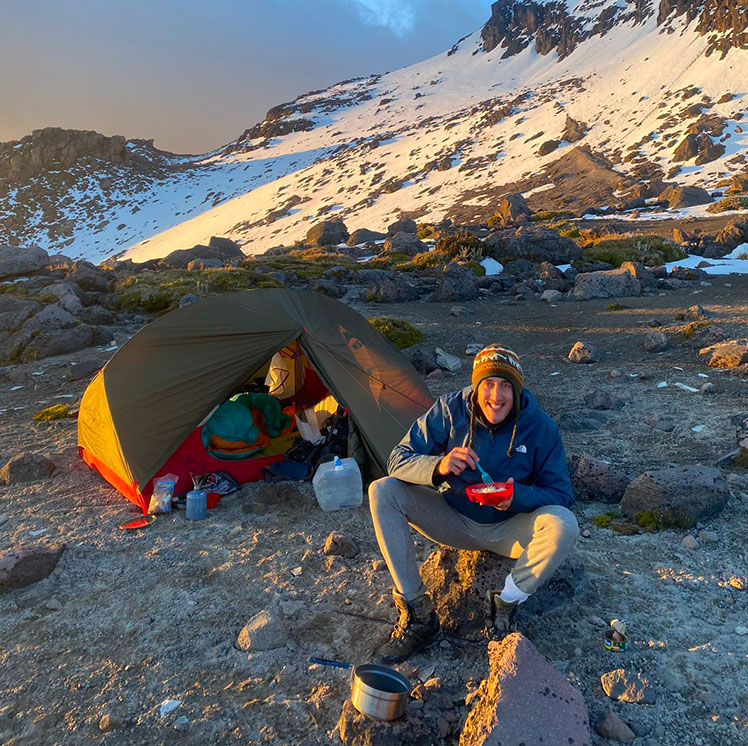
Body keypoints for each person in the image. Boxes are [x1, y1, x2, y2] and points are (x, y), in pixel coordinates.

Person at [368, 344, 578, 664]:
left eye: (506, 386)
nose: (496, 396)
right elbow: (397, 460)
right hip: (453, 516)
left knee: (563, 524)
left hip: (510, 528)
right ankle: (418, 615)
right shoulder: (450, 409)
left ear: (517, 390)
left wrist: (517, 496)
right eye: (489, 385)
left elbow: (561, 496)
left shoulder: (540, 427)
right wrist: (437, 466)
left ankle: (504, 606)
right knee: (383, 491)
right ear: (477, 386)